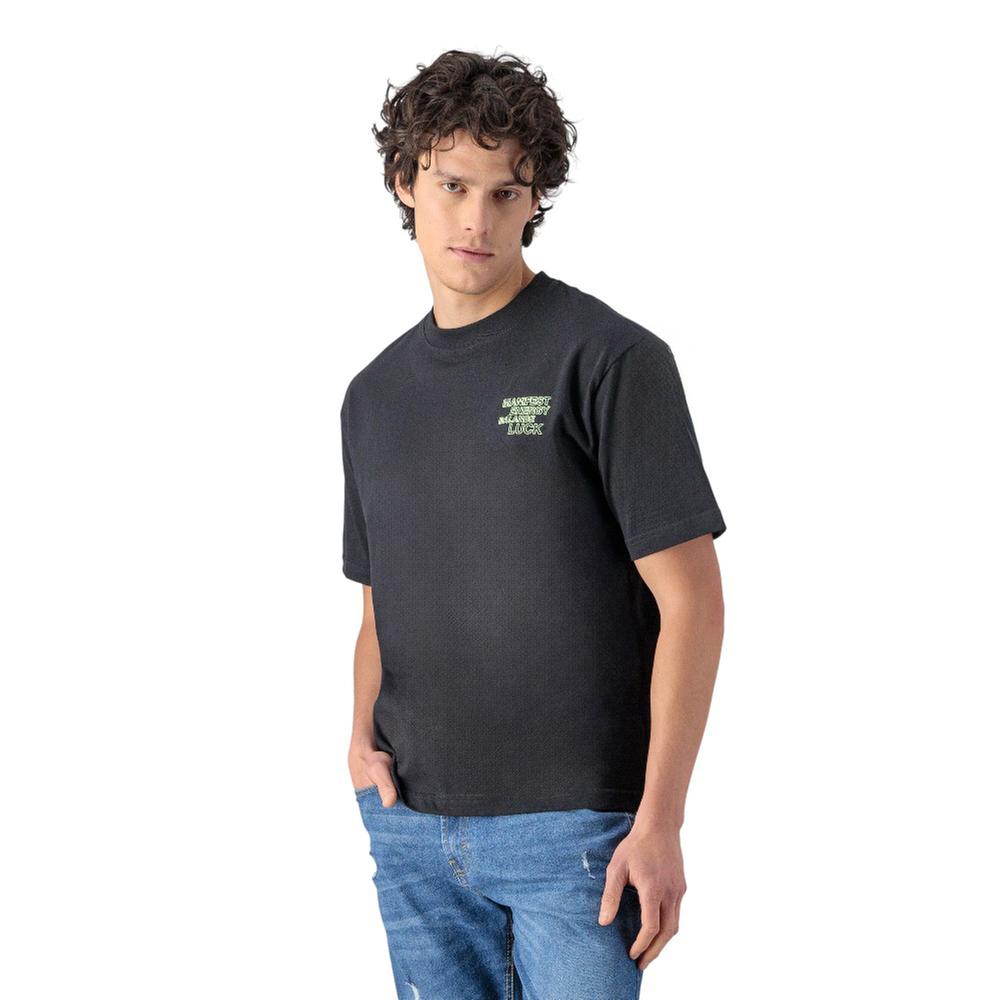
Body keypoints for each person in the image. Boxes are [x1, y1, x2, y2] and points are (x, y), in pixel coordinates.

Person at [341, 49, 726, 999]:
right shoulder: (372, 396)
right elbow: (381, 601)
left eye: (505, 192)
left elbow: (692, 603)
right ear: (406, 181)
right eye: (452, 185)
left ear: (534, 200)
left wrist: (662, 820)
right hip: (412, 829)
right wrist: (358, 742)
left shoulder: (609, 360)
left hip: (576, 834)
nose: (477, 220)